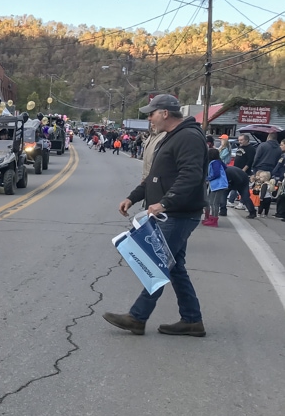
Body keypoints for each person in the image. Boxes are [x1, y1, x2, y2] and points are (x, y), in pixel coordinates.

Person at [103, 94, 208, 338]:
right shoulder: (172, 137)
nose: (148, 118)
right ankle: (192, 320)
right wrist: (133, 197)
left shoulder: (189, 137)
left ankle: (137, 317)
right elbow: (154, 177)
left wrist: (165, 202)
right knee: (174, 267)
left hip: (179, 214)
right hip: (172, 212)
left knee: (157, 264)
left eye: (151, 113)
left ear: (165, 113)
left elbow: (190, 176)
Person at [229, 134, 256, 209]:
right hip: (236, 168)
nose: (239, 141)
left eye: (241, 140)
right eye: (239, 140)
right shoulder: (240, 147)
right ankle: (231, 200)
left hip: (243, 171)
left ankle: (242, 203)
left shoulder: (251, 149)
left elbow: (250, 161)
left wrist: (244, 170)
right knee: (234, 184)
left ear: (247, 140)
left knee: (242, 187)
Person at [204, 147, 228, 226]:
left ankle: (214, 220)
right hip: (217, 185)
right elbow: (225, 168)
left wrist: (208, 178)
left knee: (214, 203)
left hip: (218, 185)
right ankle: (212, 218)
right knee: (212, 202)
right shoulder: (218, 162)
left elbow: (216, 174)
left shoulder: (214, 162)